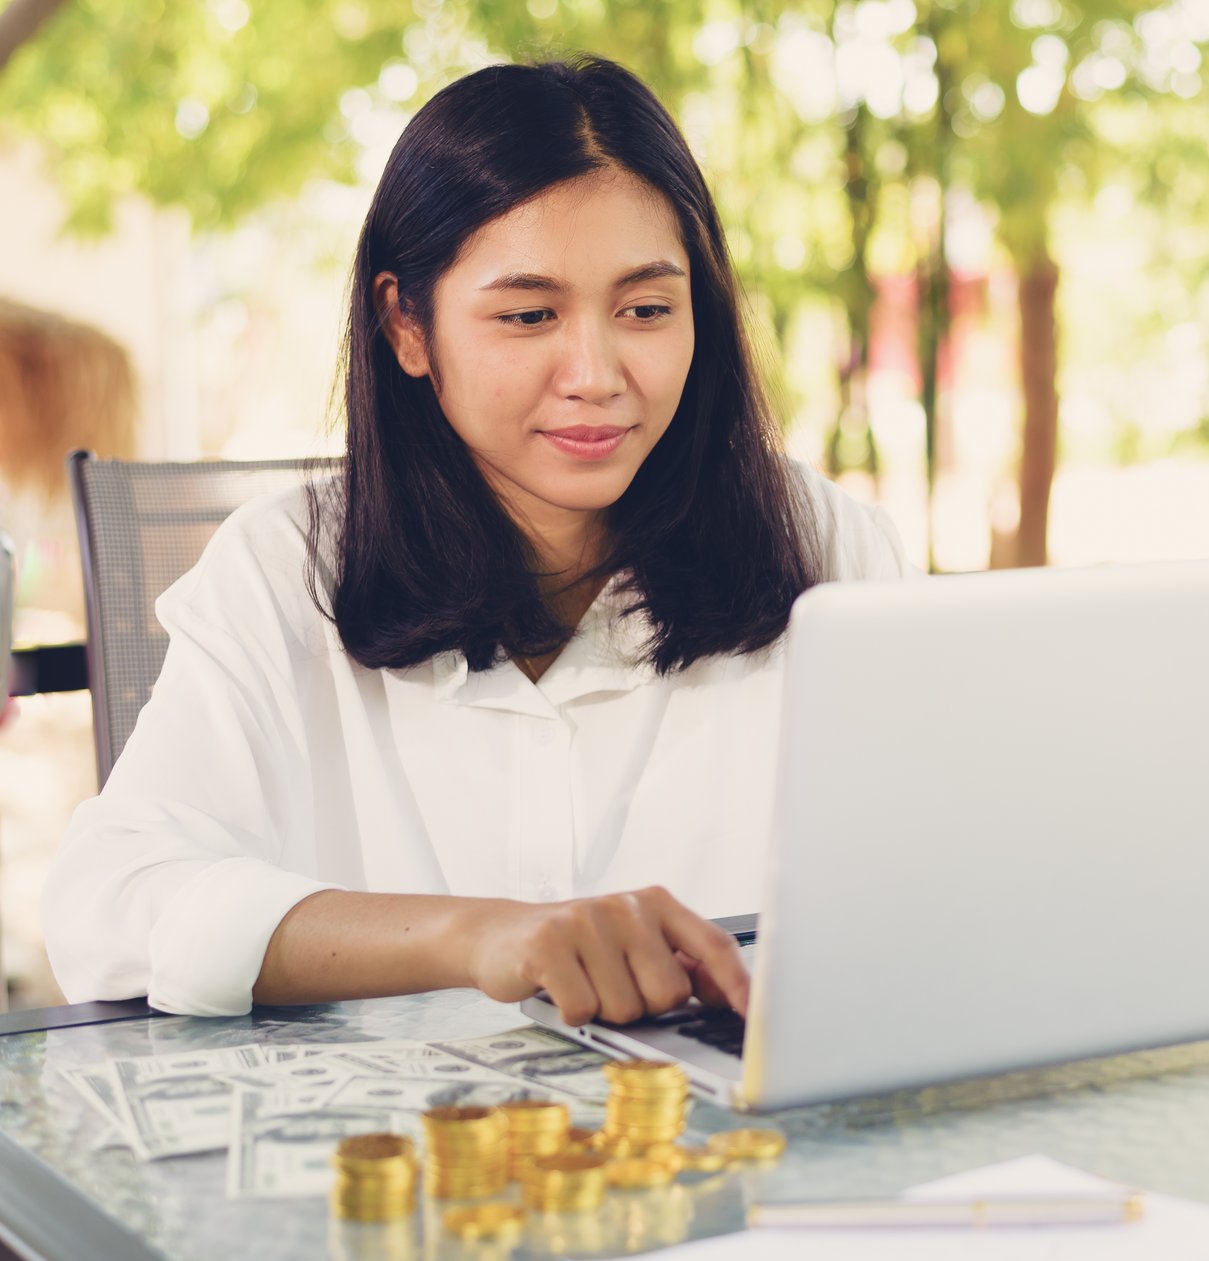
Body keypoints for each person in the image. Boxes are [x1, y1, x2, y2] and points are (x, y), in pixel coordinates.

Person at [41, 56, 910, 1023]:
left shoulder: (827, 553)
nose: (595, 372)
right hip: (392, 1156)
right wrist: (476, 935)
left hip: (724, 1149)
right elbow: (107, 906)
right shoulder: (283, 571)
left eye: (647, 309)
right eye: (529, 315)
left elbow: (947, 877)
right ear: (406, 326)